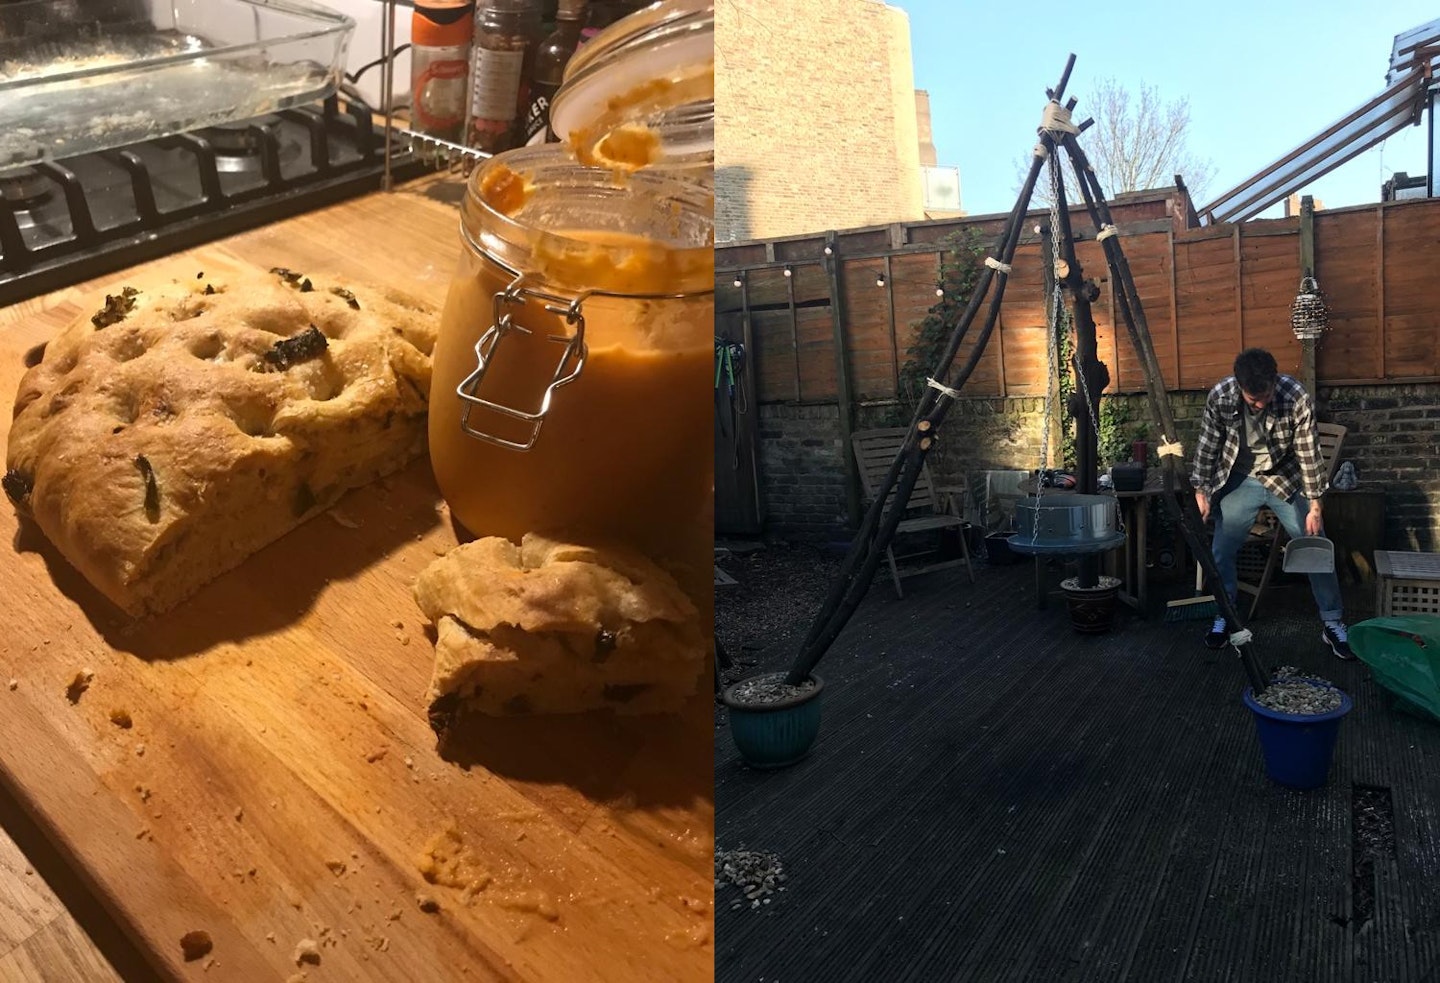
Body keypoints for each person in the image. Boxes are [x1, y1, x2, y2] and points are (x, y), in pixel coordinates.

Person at [1190, 348, 1353, 659]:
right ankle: (1226, 614)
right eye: (1254, 400)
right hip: (1239, 477)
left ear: (1275, 380)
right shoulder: (1221, 397)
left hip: (1284, 478)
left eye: (1265, 395)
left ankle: (1332, 621)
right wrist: (1201, 489)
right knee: (1222, 549)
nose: (1261, 403)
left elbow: (1308, 452)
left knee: (1314, 542)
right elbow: (1207, 445)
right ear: (1239, 386)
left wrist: (1316, 503)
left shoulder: (1295, 397)